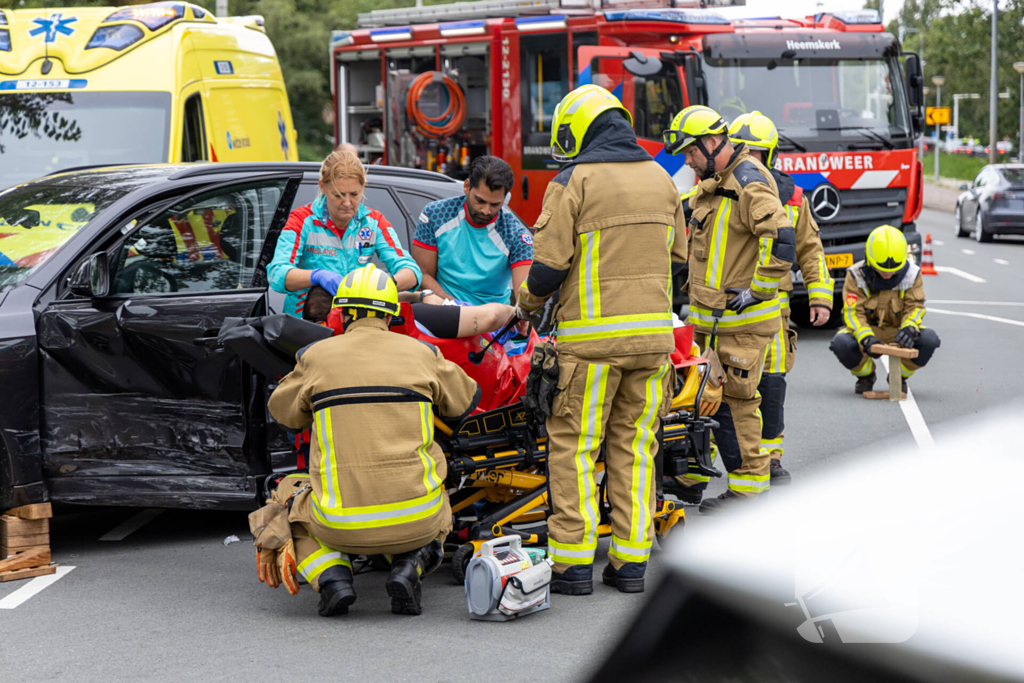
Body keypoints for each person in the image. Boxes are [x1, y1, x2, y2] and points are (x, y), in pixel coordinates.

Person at [515, 85, 688, 595]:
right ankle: (630, 564)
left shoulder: (574, 180)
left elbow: (547, 268)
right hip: (654, 343)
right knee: (635, 447)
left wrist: (525, 304)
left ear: (580, 129)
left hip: (589, 347)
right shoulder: (661, 178)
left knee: (574, 448)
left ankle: (572, 565)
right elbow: (678, 258)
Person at [264, 264, 480, 617]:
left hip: (338, 525)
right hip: (417, 519)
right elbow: (465, 400)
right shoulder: (420, 353)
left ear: (344, 311)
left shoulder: (315, 356)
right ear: (392, 312)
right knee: (438, 492)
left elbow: (284, 414)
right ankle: (411, 565)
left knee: (286, 495)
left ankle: (332, 577)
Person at [661, 105, 795, 513]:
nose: (687, 161)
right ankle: (696, 479)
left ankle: (748, 499)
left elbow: (782, 238)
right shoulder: (716, 182)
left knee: (737, 407)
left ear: (711, 142)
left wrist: (758, 290)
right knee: (704, 403)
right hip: (710, 321)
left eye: (690, 152)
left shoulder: (749, 182)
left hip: (740, 323)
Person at [267, 149, 421, 318]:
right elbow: (277, 274)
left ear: (363, 187)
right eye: (338, 195)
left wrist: (385, 284)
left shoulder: (374, 222)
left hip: (356, 322)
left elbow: (411, 270)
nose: (347, 203)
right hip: (308, 324)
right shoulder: (301, 220)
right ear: (322, 187)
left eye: (354, 194)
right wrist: (316, 276)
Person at [829, 225, 940, 392]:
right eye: (882, 270)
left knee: (929, 340)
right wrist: (866, 339)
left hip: (898, 330)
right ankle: (866, 376)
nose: (887, 275)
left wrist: (909, 328)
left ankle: (899, 376)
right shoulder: (855, 274)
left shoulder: (912, 274)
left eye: (893, 271)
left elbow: (915, 307)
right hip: (868, 330)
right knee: (841, 343)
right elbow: (853, 313)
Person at [412, 156, 533, 306]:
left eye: (495, 204)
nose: (486, 211)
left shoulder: (516, 235)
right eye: (480, 201)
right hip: (445, 311)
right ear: (467, 186)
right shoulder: (435, 215)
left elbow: (525, 295)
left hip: (494, 322)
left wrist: (524, 312)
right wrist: (455, 304)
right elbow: (422, 275)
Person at [302, 283, 516, 339]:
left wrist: (418, 295)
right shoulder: (417, 318)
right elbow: (492, 317)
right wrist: (515, 312)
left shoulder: (327, 347)